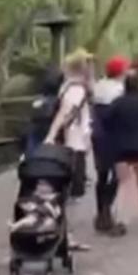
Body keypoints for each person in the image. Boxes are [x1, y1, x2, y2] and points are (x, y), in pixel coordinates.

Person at [103, 74, 138, 234]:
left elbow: (106, 122)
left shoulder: (117, 103)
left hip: (120, 150)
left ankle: (121, 222)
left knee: (124, 185)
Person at [44, 48, 93, 200]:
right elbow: (65, 113)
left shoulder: (72, 87)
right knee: (71, 185)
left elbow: (66, 113)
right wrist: (51, 135)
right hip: (74, 141)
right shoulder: (77, 88)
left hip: (73, 140)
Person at [92, 56, 129, 234]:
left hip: (98, 135)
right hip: (115, 136)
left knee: (102, 175)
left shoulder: (98, 86)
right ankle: (107, 209)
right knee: (118, 175)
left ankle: (101, 211)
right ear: (120, 72)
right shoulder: (120, 90)